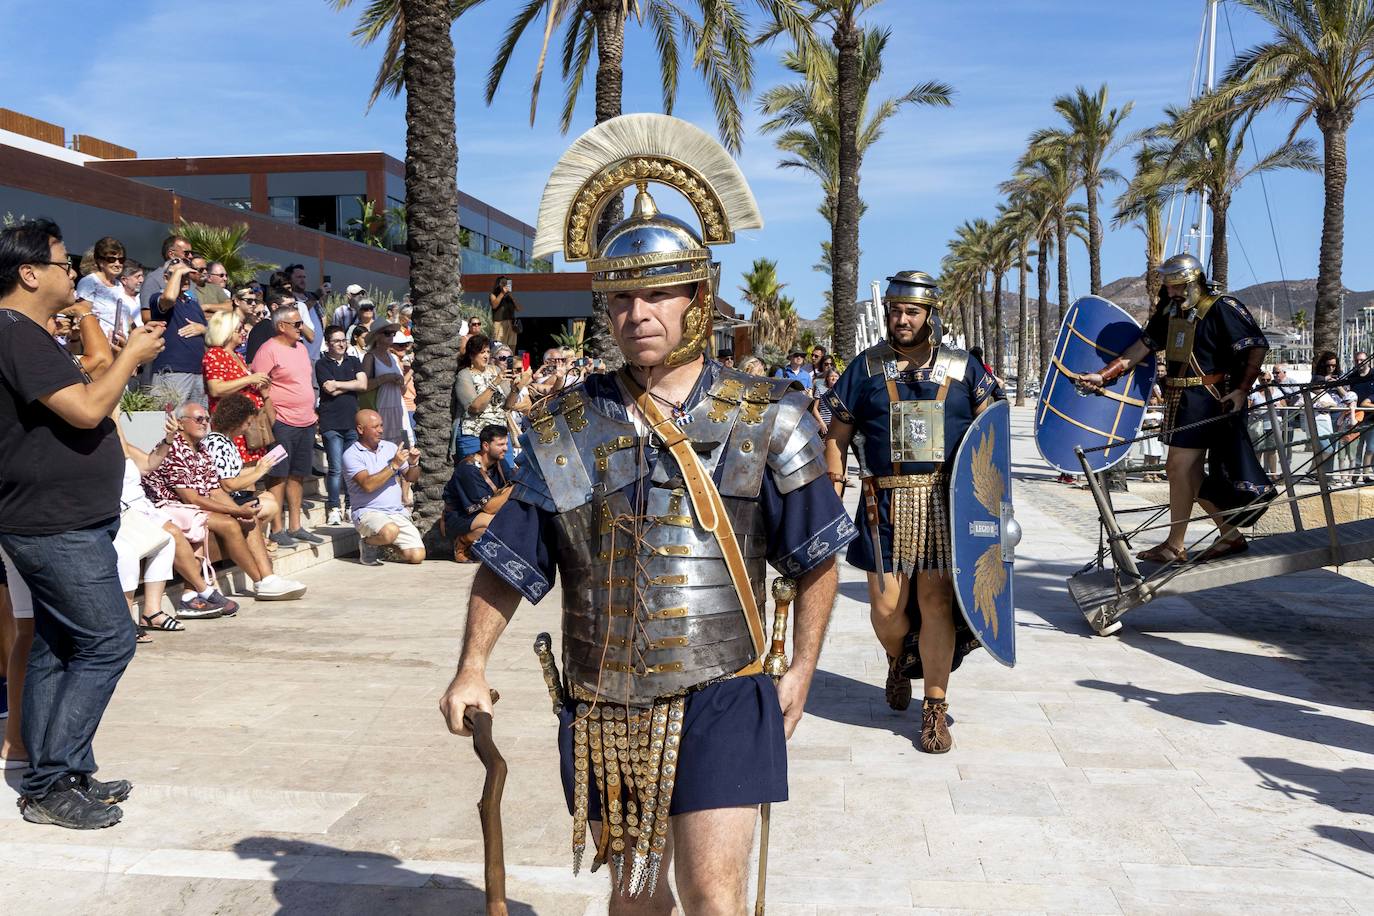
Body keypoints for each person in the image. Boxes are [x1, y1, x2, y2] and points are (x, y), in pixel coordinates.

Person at [438, 116, 850, 912]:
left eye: (659, 292)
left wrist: (800, 669)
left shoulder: (770, 416)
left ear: (699, 296)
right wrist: (471, 665)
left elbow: (815, 558)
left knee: (713, 893)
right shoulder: (566, 425)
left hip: (725, 686)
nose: (639, 313)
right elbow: (509, 565)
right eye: (622, 297)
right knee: (633, 897)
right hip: (605, 697)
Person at [0, 218, 167, 828]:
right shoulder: (13, 331)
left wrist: (119, 358)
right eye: (63, 262)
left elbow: (95, 400)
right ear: (29, 273)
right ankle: (50, 782)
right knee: (109, 640)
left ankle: (57, 774)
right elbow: (88, 407)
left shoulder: (30, 333)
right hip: (52, 524)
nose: (72, 272)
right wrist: (130, 355)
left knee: (58, 646)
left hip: (69, 519)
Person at [823, 270, 1002, 752]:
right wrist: (832, 493)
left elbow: (993, 432)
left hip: (945, 503)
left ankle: (934, 709)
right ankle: (898, 658)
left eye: (912, 311)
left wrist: (992, 505)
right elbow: (836, 438)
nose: (901, 319)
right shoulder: (865, 368)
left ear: (931, 315)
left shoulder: (966, 368)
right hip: (884, 502)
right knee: (885, 610)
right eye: (895, 311)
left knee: (937, 602)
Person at [1079, 253, 1275, 562]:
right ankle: (1229, 534)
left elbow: (1256, 346)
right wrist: (1103, 376)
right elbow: (1141, 348)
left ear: (1194, 282)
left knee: (1177, 468)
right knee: (1189, 474)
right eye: (1168, 287)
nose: (1171, 292)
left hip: (1210, 399)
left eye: (1177, 286)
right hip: (1181, 400)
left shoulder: (1223, 308)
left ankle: (1175, 544)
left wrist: (1241, 389)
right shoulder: (1169, 313)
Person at [142, 402, 306, 601]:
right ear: (180, 424)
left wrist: (239, 510)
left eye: (206, 419)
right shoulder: (174, 448)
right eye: (198, 419)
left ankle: (268, 578)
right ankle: (260, 582)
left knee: (249, 519)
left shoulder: (201, 449)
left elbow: (216, 490)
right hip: (170, 508)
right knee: (231, 523)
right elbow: (191, 498)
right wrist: (236, 512)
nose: (204, 423)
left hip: (193, 508)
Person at [251, 305, 325, 547]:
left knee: (298, 474)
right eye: (296, 324)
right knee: (278, 475)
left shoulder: (302, 349)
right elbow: (258, 386)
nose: (301, 328)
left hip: (305, 421)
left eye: (301, 323)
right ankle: (277, 528)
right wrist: (273, 418)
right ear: (281, 326)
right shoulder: (268, 350)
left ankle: (295, 525)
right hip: (282, 421)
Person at [342, 409, 424, 566]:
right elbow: (368, 485)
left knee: (417, 556)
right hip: (368, 512)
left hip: (396, 512)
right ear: (360, 429)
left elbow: (411, 477)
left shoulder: (390, 447)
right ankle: (369, 543)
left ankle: (385, 547)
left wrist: (413, 463)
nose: (381, 430)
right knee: (389, 531)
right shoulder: (351, 455)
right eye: (375, 427)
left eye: (381, 425)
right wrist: (393, 465)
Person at [203, 393, 283, 531]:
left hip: (227, 494)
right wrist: (259, 472)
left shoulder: (224, 440)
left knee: (269, 496)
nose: (249, 427)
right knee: (271, 506)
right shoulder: (219, 443)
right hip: (220, 499)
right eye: (248, 423)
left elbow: (233, 474)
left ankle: (252, 535)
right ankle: (249, 535)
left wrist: (259, 467)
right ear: (237, 421)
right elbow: (228, 485)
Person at [202, 311, 272, 463]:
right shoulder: (215, 354)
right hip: (232, 424)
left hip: (249, 425)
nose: (244, 331)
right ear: (226, 331)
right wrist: (249, 379)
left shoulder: (237, 355)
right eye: (239, 329)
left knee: (252, 470)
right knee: (240, 471)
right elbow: (216, 388)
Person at [316, 326, 367, 526]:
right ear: (328, 343)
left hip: (352, 422)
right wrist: (349, 383)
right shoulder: (321, 364)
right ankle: (334, 507)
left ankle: (350, 505)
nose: (341, 343)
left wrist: (338, 384)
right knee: (336, 468)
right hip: (331, 423)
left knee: (350, 468)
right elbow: (328, 388)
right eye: (336, 340)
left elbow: (362, 385)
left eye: (343, 340)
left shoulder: (354, 361)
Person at [441, 424, 511, 562]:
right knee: (500, 522)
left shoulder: (500, 463)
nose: (506, 449)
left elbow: (512, 482)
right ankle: (462, 543)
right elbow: (489, 507)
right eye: (501, 444)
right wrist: (514, 489)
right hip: (459, 516)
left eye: (506, 444)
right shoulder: (468, 469)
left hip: (480, 514)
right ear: (486, 446)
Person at [452, 333, 525, 459]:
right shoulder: (464, 375)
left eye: (487, 351)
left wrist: (516, 388)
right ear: (471, 355)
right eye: (482, 352)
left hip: (500, 436)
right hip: (475, 436)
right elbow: (475, 408)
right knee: (477, 475)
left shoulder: (496, 370)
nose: (486, 356)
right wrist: (494, 384)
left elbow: (508, 405)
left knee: (506, 475)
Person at [149, 260, 209, 408]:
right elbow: (169, 298)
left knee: (198, 421)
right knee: (168, 421)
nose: (185, 279)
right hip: (172, 371)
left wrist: (203, 329)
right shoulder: (157, 297)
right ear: (165, 278)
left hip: (198, 372)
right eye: (181, 275)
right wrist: (178, 271)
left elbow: (211, 334)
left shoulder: (193, 304)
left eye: (187, 275)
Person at [73, 236, 132, 341]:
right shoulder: (90, 282)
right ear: (100, 261)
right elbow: (83, 314)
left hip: (121, 343)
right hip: (100, 343)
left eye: (121, 260)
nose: (118, 264)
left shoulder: (119, 285)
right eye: (111, 259)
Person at [362, 317, 407, 445]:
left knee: (399, 446)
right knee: (380, 445)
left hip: (397, 407)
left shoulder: (393, 357)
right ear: (376, 336)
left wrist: (400, 382)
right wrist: (386, 378)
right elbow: (363, 385)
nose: (391, 336)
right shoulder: (370, 357)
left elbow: (402, 389)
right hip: (380, 407)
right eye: (387, 333)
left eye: (393, 333)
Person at [140, 233, 192, 324]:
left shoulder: (189, 277)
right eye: (186, 253)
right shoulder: (154, 279)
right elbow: (146, 316)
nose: (191, 256)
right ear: (171, 254)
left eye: (191, 253)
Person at [285, 264, 324, 361]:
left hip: (317, 356)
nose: (302, 280)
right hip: (301, 356)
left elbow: (322, 318)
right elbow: (300, 311)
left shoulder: (310, 296)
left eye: (304, 277)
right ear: (289, 280)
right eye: (298, 277)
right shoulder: (289, 298)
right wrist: (316, 296)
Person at [490, 276, 519, 346]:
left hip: (511, 325)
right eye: (505, 283)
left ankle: (510, 357)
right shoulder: (493, 295)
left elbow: (518, 308)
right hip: (499, 323)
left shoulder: (509, 296)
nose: (507, 286)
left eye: (508, 284)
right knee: (499, 346)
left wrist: (512, 297)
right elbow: (494, 305)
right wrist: (502, 293)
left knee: (512, 346)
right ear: (499, 284)